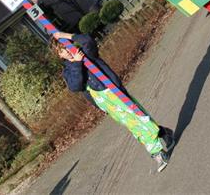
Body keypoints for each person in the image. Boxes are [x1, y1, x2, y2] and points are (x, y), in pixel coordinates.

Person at [51, 31, 175, 172]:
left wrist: (65, 35)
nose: (67, 50)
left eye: (66, 46)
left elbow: (88, 40)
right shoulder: (68, 71)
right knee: (131, 121)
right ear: (60, 55)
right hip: (103, 101)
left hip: (113, 90)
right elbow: (76, 85)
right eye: (62, 50)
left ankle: (157, 153)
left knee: (136, 119)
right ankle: (164, 133)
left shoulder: (86, 53)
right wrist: (77, 63)